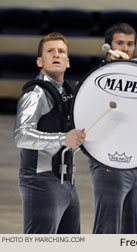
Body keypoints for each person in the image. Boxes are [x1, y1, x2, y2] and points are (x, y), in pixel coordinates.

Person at [14, 32, 86, 234]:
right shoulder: (35, 95)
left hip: (68, 182)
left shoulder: (70, 92)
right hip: (40, 180)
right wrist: (64, 138)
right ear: (40, 61)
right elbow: (21, 135)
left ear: (68, 62)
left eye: (61, 51)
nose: (56, 55)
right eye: (50, 51)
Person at [88, 23, 137, 234]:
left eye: (130, 44)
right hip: (108, 162)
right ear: (108, 47)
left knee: (131, 230)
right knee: (107, 231)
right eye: (120, 43)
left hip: (133, 162)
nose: (126, 48)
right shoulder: (98, 79)